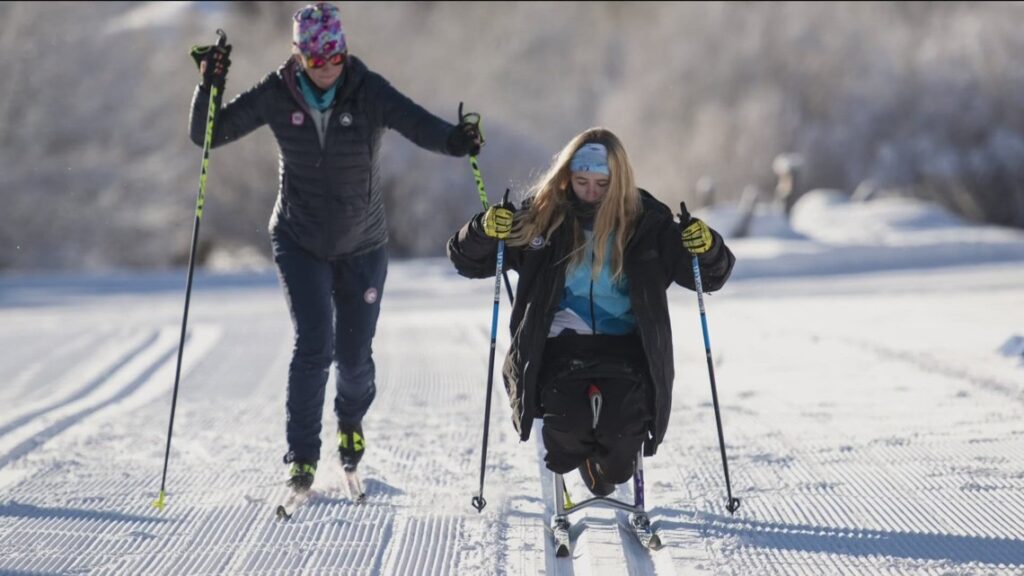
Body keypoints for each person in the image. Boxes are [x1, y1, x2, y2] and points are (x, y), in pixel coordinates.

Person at [188, 2, 484, 493]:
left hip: (363, 244)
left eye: (334, 56)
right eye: (315, 58)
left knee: (353, 358)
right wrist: (208, 85)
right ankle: (302, 457)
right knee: (313, 347)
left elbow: (419, 125)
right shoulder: (275, 94)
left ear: (344, 52)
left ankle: (350, 419)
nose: (326, 67)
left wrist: (458, 141)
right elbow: (207, 134)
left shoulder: (367, 90)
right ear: (299, 57)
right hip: (298, 240)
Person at [447, 128, 734, 496]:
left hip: (628, 350)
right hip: (559, 348)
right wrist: (482, 231)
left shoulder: (647, 222)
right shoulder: (542, 218)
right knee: (566, 433)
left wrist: (708, 249)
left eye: (602, 183)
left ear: (620, 180)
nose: (592, 192)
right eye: (582, 182)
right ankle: (581, 454)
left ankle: (605, 461)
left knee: (619, 447)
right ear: (566, 177)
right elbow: (468, 260)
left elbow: (708, 276)